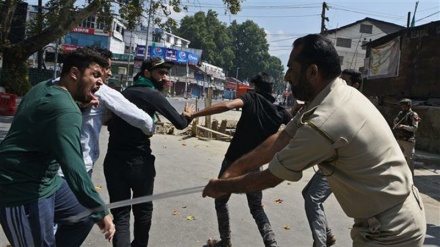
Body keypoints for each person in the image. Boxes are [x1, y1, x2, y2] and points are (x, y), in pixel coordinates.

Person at [203, 34, 426, 246]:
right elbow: (283, 137)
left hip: (390, 232)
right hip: (391, 217)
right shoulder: (332, 95)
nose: (286, 76)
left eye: (291, 68)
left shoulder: (325, 120)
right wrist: (238, 167)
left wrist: (221, 185)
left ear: (312, 72)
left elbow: (269, 178)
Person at [0, 48, 115, 246]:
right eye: (95, 74)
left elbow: (48, 115)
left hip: (48, 182)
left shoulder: (45, 87)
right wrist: (100, 210)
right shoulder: (66, 111)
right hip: (20, 188)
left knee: (83, 217)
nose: (101, 81)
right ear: (74, 73)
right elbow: (74, 168)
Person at [186, 72, 292, 247]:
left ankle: (225, 242)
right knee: (256, 207)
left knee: (220, 201)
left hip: (232, 162)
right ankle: (271, 243)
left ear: (256, 88)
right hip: (255, 165)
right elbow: (297, 129)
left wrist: (194, 115)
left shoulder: (251, 98)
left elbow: (227, 105)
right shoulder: (279, 112)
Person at [103, 56, 195, 247]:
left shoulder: (124, 93)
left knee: (120, 214)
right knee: (143, 211)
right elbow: (179, 123)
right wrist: (187, 115)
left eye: (166, 73)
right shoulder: (153, 95)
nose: (165, 77)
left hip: (114, 161)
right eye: (161, 73)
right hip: (139, 163)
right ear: (147, 73)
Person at [302, 68, 363, 247]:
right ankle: (327, 234)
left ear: (356, 85)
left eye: (345, 81)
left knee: (313, 199)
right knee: (308, 194)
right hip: (332, 161)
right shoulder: (341, 102)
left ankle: (320, 243)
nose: (340, 86)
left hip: (342, 163)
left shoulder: (355, 106)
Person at [77, 48, 154, 177]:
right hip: (80, 163)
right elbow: (142, 120)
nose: (109, 73)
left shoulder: (54, 85)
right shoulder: (102, 91)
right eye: (106, 68)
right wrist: (151, 129)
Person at [393, 98, 420, 176]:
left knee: (409, 160)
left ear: (408, 106)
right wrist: (396, 125)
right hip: (399, 139)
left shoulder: (413, 115)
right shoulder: (401, 113)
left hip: (408, 140)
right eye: (402, 106)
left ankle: (410, 177)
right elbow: (395, 122)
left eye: (404, 106)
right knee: (398, 158)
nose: (403, 107)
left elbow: (414, 128)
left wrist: (403, 127)